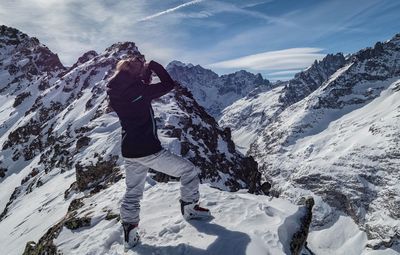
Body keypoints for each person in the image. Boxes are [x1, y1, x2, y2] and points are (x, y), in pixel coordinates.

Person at [106, 56, 211, 249]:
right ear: (134, 73)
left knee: (132, 192)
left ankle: (130, 231)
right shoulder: (138, 90)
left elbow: (139, 88)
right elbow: (168, 84)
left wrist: (142, 74)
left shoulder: (115, 90)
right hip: (149, 150)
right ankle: (190, 209)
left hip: (129, 150)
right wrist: (154, 66)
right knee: (189, 171)